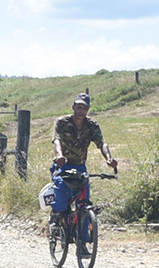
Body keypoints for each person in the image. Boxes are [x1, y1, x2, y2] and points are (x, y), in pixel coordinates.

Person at [46, 91, 119, 234]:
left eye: (84, 108)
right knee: (61, 191)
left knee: (85, 203)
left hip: (79, 167)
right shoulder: (63, 122)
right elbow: (57, 140)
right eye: (79, 107)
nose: (81, 111)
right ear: (73, 107)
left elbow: (101, 143)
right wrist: (59, 155)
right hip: (63, 165)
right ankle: (55, 217)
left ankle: (84, 243)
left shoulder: (92, 125)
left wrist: (109, 158)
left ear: (88, 110)